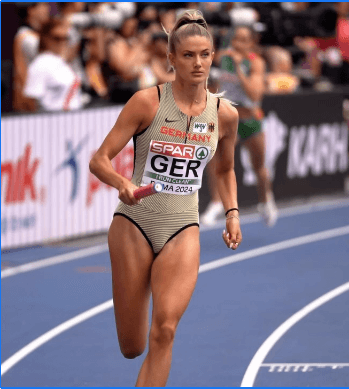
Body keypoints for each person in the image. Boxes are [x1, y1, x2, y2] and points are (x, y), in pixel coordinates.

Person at [89, 10, 242, 387]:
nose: (198, 63)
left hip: (182, 227)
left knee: (166, 330)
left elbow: (223, 170)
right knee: (132, 345)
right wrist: (121, 183)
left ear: (213, 56)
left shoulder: (225, 115)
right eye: (188, 55)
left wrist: (232, 213)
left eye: (204, 54)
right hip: (134, 224)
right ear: (171, 59)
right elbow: (99, 160)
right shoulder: (148, 102)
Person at [201, 25, 278, 227]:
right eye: (236, 40)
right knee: (215, 157)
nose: (239, 44)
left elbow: (255, 94)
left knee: (259, 167)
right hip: (229, 119)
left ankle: (266, 200)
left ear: (251, 43)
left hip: (250, 119)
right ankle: (217, 202)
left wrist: (239, 70)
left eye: (244, 40)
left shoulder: (256, 63)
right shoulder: (222, 58)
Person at [23, 18, 85, 112]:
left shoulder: (62, 62)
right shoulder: (41, 63)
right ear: (45, 38)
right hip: (53, 121)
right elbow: (30, 101)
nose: (62, 43)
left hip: (73, 119)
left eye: (66, 38)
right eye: (57, 38)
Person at [13, 2, 50, 111]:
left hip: (37, 101)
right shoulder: (27, 38)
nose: (47, 9)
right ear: (31, 9)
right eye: (44, 5)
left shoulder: (34, 35)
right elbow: (53, 60)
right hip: (31, 104)